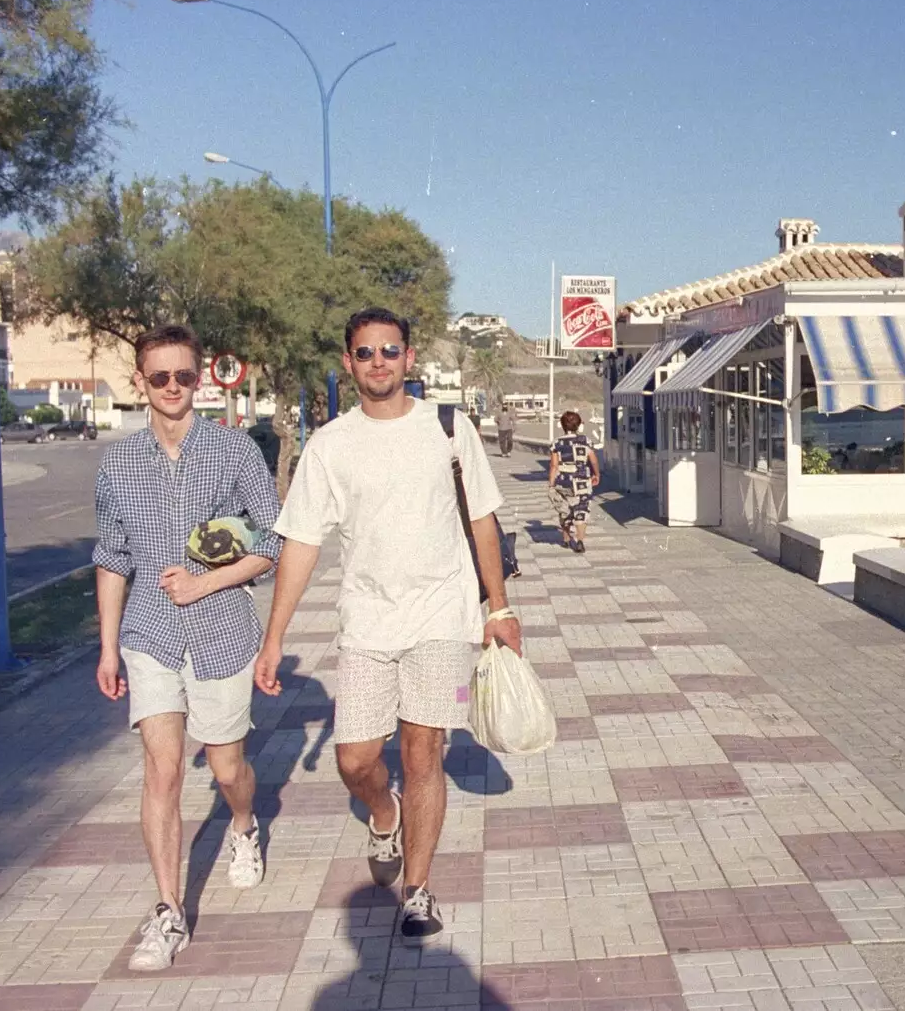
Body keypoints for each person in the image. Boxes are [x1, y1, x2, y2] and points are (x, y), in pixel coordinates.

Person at [255, 306, 521, 945]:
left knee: (423, 750)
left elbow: (482, 520)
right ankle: (383, 813)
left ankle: (419, 890)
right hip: (367, 625)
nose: (379, 363)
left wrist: (499, 607)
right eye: (366, 354)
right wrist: (274, 637)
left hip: (441, 618)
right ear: (348, 364)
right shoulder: (330, 445)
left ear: (409, 358)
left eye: (390, 351)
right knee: (356, 759)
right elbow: (299, 545)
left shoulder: (450, 429)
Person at [92, 324, 283, 972]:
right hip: (150, 634)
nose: (172, 388)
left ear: (198, 380)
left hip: (223, 631)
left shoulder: (234, 453)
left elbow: (268, 545)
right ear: (140, 383)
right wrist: (108, 647)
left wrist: (206, 582)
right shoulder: (117, 464)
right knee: (163, 770)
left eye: (184, 376)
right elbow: (112, 559)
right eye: (159, 377)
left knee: (227, 770)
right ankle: (169, 911)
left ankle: (244, 825)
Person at [547, 410, 600, 553]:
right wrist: (596, 474)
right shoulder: (585, 441)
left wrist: (551, 484)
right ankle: (580, 540)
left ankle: (565, 539)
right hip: (582, 480)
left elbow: (554, 466)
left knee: (565, 510)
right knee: (582, 508)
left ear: (563, 425)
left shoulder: (556, 443)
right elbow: (593, 460)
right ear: (577, 425)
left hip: (563, 481)